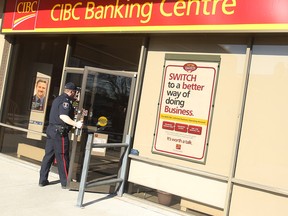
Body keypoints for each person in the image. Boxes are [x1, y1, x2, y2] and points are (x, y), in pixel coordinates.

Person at [39, 82, 83, 189]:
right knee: (62, 156)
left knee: (48, 156)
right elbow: (63, 116)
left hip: (51, 130)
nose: (76, 94)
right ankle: (66, 182)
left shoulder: (58, 99)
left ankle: (42, 180)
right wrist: (76, 124)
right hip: (59, 133)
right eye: (75, 92)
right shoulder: (65, 101)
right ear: (71, 92)